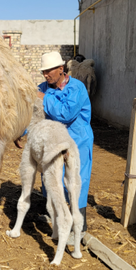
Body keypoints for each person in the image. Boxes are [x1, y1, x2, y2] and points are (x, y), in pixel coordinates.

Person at [36, 51, 94, 240]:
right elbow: (34, 113)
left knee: (77, 179)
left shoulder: (77, 88)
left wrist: (43, 98)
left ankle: (80, 225)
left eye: (48, 72)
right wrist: (21, 133)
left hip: (78, 140)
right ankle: (52, 213)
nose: (45, 75)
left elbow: (65, 113)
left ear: (61, 69)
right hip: (54, 140)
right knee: (51, 176)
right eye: (43, 72)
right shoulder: (43, 87)